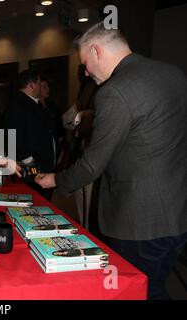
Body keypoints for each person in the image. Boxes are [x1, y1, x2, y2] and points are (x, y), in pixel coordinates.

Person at [36, 22, 187, 299]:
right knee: (155, 287)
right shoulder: (174, 74)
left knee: (136, 292)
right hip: (178, 215)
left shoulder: (114, 91)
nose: (85, 72)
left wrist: (56, 179)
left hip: (140, 222)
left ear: (96, 50)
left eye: (84, 63)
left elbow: (93, 164)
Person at [4, 70, 57, 200]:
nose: (41, 86)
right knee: (35, 199)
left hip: (43, 162)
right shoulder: (18, 104)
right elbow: (13, 134)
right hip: (32, 165)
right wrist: (29, 160)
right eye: (39, 83)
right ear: (32, 85)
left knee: (43, 199)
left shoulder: (35, 103)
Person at [59, 64, 98, 229]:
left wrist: (82, 117)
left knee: (92, 211)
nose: (83, 73)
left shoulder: (107, 89)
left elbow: (96, 119)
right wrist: (81, 117)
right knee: (82, 210)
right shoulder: (86, 89)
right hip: (79, 155)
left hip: (95, 160)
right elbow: (66, 119)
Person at [38, 77, 65, 161]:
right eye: (44, 87)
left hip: (56, 144)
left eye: (47, 86)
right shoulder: (35, 107)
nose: (48, 89)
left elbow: (59, 121)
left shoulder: (51, 105)